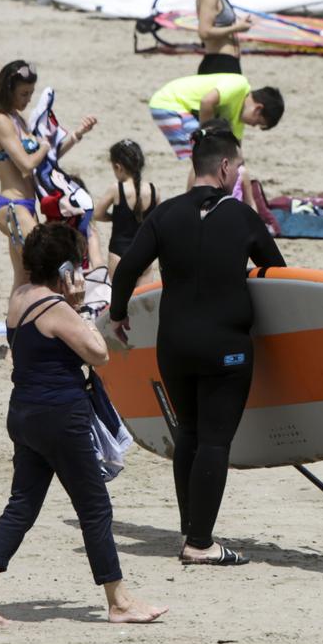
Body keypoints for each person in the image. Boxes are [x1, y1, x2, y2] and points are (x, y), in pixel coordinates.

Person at [0, 222, 162, 625]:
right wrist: (76, 305)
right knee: (94, 507)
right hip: (60, 416)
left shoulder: (20, 297)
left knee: (21, 505)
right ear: (66, 266)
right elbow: (98, 353)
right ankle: (119, 602)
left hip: (23, 414)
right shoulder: (55, 307)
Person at [109, 130, 284, 565]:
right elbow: (278, 276)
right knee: (214, 442)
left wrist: (117, 313)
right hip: (226, 349)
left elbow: (129, 266)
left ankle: (191, 528)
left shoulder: (166, 214)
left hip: (174, 347)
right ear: (225, 167)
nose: (240, 173)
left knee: (188, 431)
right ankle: (200, 544)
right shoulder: (242, 218)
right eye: (239, 166)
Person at [0, 59, 96, 285]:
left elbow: (45, 162)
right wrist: (44, 145)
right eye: (23, 93)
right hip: (12, 206)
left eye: (31, 93)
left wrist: (76, 135)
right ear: (8, 90)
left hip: (27, 207)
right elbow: (26, 164)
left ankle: (15, 321)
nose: (28, 100)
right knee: (46, 267)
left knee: (24, 278)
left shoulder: (17, 119)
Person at [147, 71, 283, 168]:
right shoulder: (240, 84)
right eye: (258, 122)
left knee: (204, 161)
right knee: (203, 159)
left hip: (179, 107)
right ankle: (194, 204)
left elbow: (235, 151)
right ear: (258, 109)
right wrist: (207, 139)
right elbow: (207, 101)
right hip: (168, 103)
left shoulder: (238, 120)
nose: (253, 126)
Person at [103, 138, 159, 276]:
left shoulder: (117, 189)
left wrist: (115, 217)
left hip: (118, 253)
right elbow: (158, 220)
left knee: (119, 297)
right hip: (144, 254)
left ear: (118, 167)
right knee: (142, 297)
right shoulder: (153, 189)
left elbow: (97, 213)